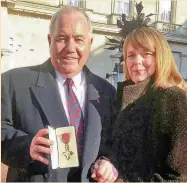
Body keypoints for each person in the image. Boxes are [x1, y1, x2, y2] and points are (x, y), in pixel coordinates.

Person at [1, 6, 117, 182]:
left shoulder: (107, 92)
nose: (70, 48)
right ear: (50, 41)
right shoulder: (13, 83)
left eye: (79, 39)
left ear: (90, 43)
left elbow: (112, 142)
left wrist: (107, 162)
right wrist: (26, 146)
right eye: (62, 38)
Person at [92, 27, 187, 181]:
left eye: (146, 54)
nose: (137, 61)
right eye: (131, 55)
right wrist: (105, 163)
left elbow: (180, 177)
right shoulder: (121, 96)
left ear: (160, 57)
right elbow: (111, 146)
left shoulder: (173, 98)